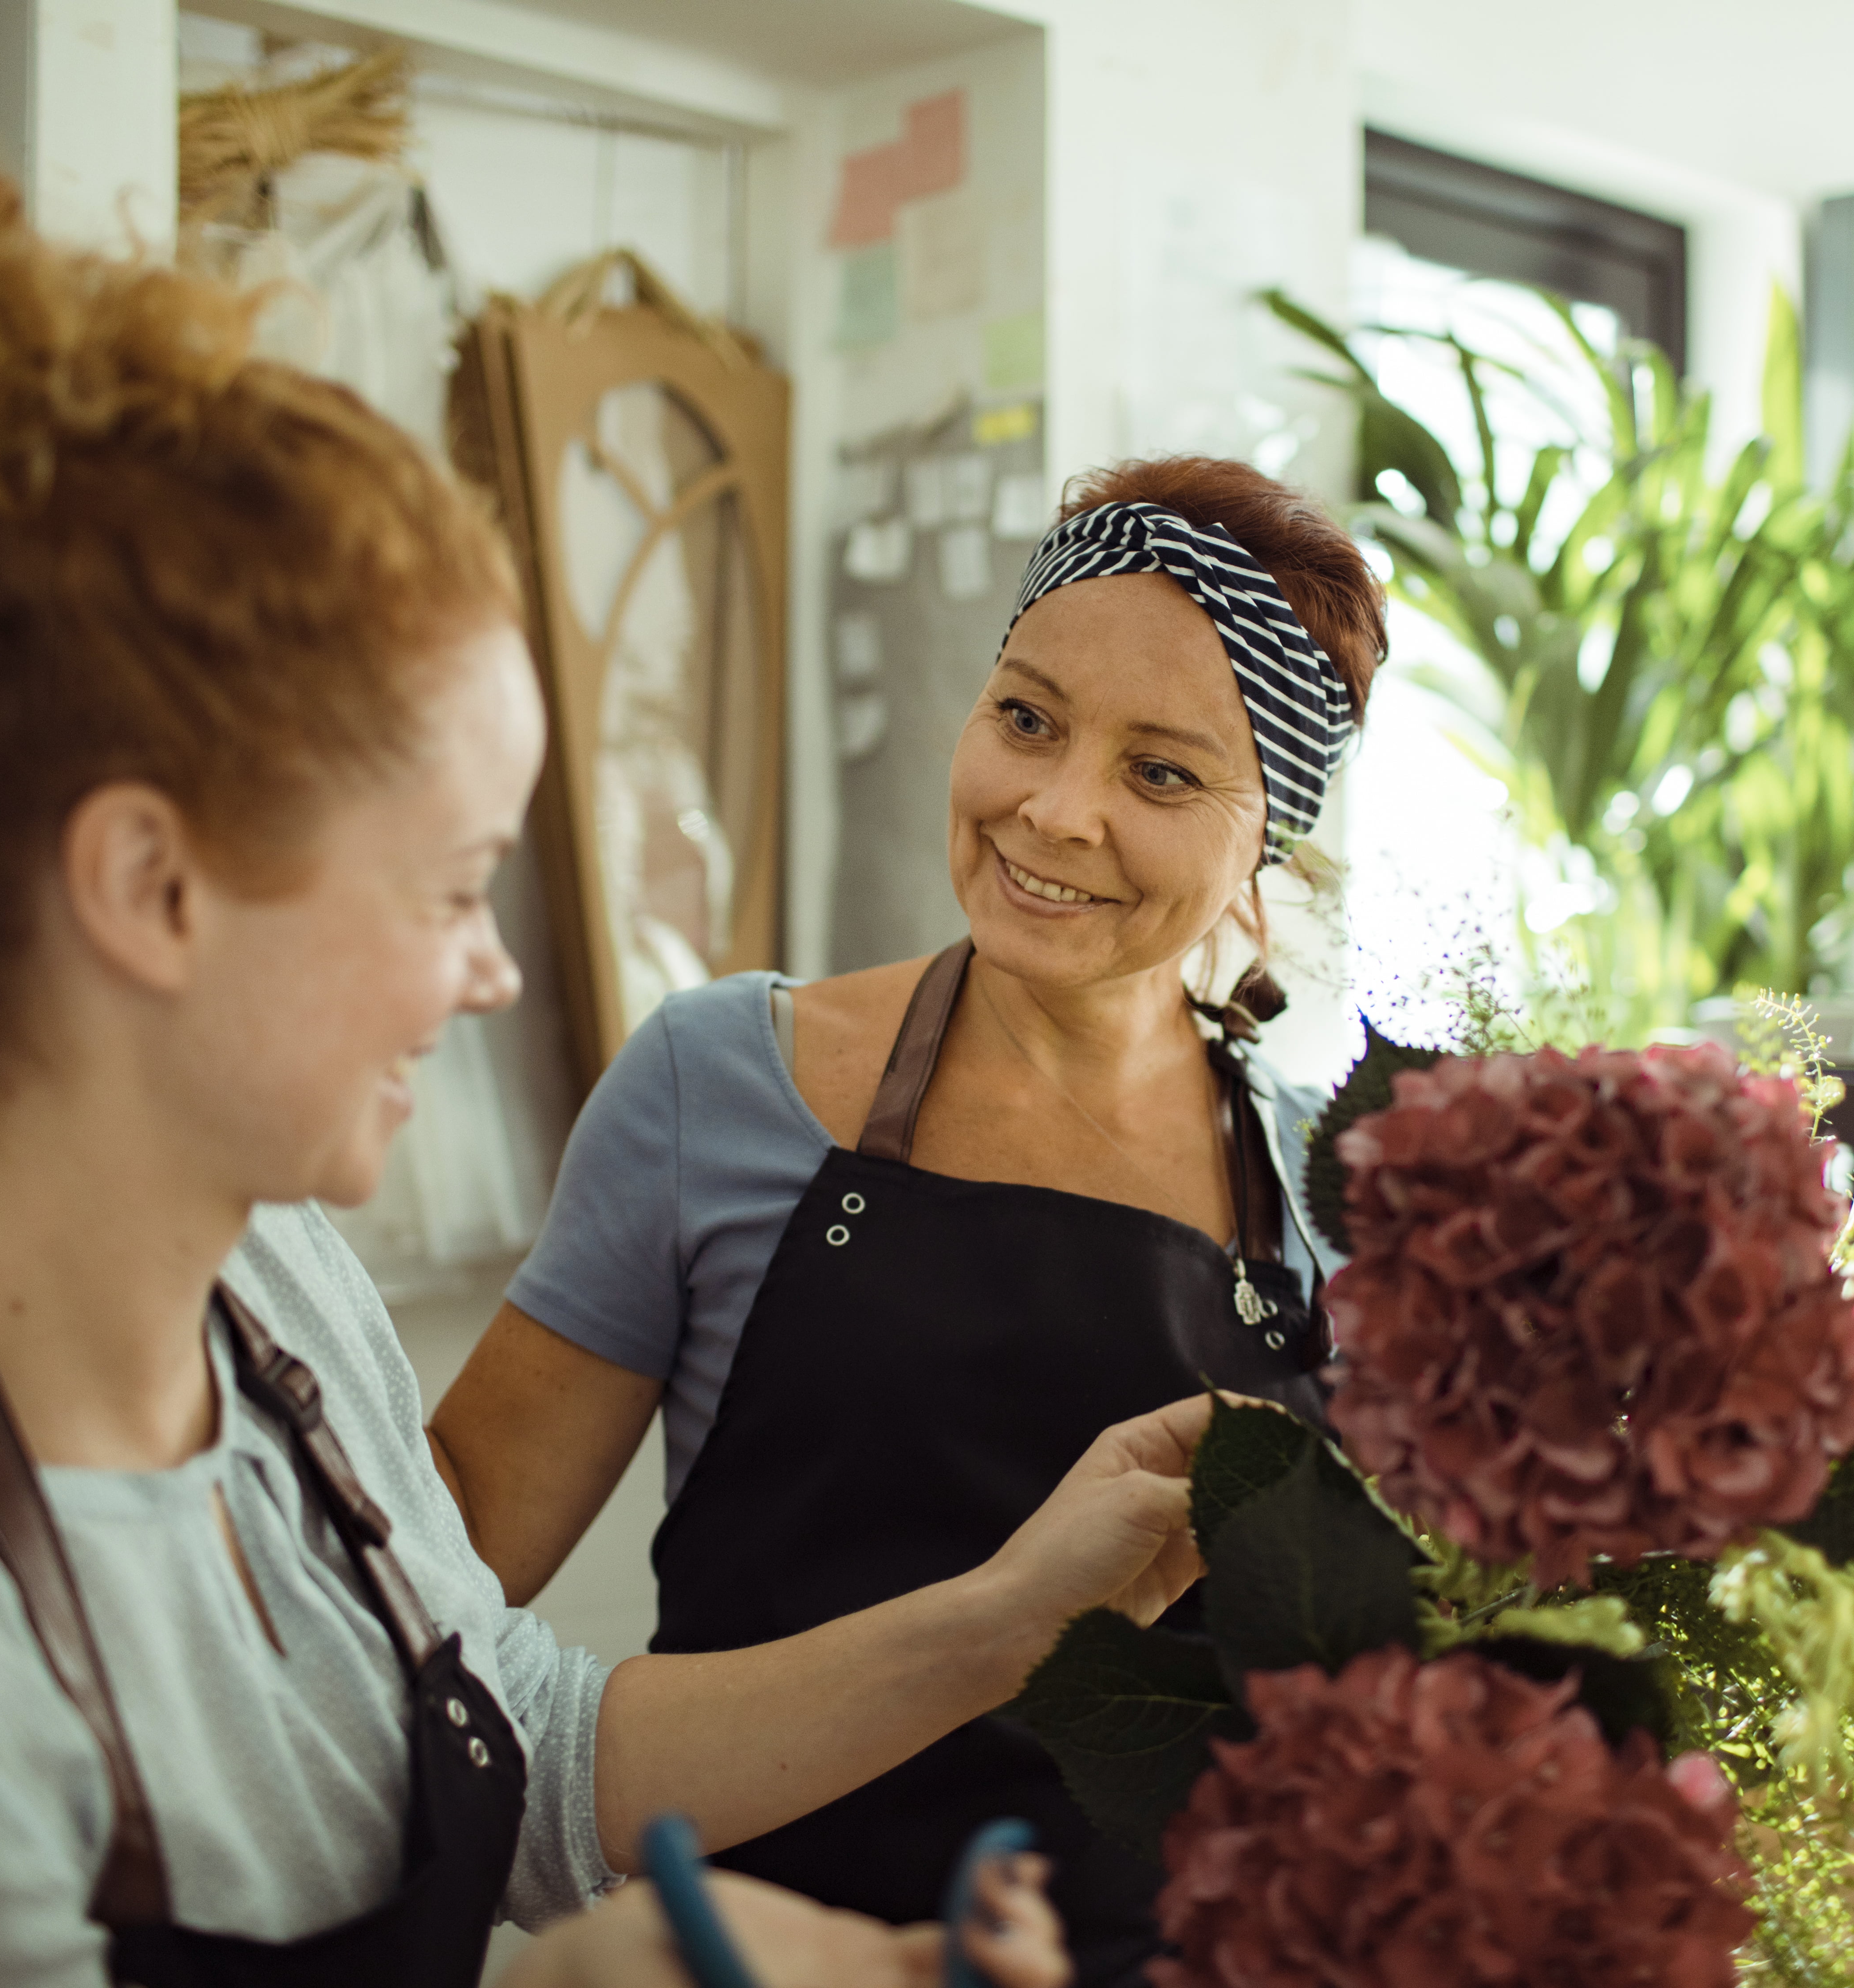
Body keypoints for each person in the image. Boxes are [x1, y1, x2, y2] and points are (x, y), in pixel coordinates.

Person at [0, 159, 1203, 1988]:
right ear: (153, 886)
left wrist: (1010, 1623)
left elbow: (512, 1738)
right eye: (448, 890)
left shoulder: (264, 1281)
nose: (491, 970)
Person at [429, 455, 1387, 1983]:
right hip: (751, 1956)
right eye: (1028, 718)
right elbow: (444, 1554)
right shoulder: (714, 1082)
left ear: (1268, 833)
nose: (1053, 811)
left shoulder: (1330, 1198)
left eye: (1160, 774)